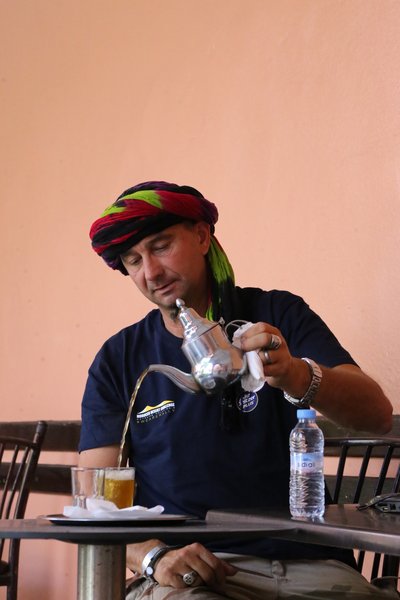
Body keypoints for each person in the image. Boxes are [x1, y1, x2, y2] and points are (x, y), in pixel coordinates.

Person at [79, 180, 396, 599]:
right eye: (133, 260)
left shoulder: (278, 314)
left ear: (202, 236)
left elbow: (376, 415)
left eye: (161, 246)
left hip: (311, 564)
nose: (150, 272)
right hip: (193, 571)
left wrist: (295, 374)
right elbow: (95, 498)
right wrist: (153, 556)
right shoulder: (119, 358)